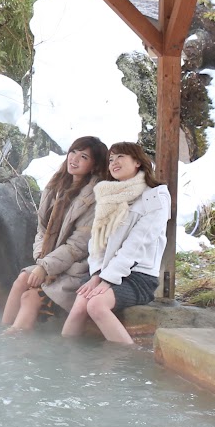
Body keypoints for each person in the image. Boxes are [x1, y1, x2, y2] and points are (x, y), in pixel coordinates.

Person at [62, 141, 170, 344]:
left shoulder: (156, 197)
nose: (114, 162)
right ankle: (64, 364)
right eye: (111, 159)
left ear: (137, 161)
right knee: (79, 306)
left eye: (120, 157)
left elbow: (136, 244)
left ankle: (126, 362)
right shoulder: (109, 196)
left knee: (96, 305)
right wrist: (96, 275)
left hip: (139, 276)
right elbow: (96, 242)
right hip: (105, 271)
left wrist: (107, 279)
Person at [0, 136, 109, 333]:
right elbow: (41, 230)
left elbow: (77, 246)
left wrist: (44, 267)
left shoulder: (94, 199)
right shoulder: (55, 186)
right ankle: (2, 333)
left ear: (94, 166)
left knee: (30, 297)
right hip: (52, 261)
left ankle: (14, 348)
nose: (74, 159)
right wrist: (41, 260)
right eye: (73, 152)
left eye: (83, 156)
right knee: (21, 281)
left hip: (77, 269)